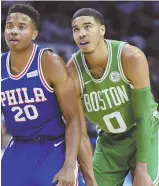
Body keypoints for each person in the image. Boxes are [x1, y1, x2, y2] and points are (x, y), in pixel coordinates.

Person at [67, 8, 159, 186]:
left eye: (87, 27)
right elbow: (80, 133)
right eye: (76, 29)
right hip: (110, 142)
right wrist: (89, 178)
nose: (82, 34)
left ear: (102, 30)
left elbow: (143, 117)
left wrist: (141, 168)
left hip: (147, 132)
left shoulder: (130, 57)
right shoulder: (72, 72)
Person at [1, 3, 81, 186]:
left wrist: (69, 165)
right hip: (18, 147)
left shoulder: (50, 62)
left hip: (52, 147)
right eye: (9, 26)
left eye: (22, 27)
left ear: (34, 34)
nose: (14, 31)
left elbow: (73, 119)